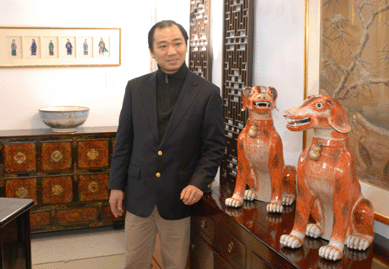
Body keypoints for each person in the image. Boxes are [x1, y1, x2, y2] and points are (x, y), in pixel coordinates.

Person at [108, 20, 225, 269]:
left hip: (179, 196)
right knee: (134, 262)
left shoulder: (207, 92)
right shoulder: (135, 88)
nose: (171, 51)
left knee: (175, 263)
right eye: (162, 45)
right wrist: (116, 186)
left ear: (186, 45)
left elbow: (214, 147)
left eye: (177, 43)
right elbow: (123, 143)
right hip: (140, 195)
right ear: (152, 51)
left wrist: (198, 182)